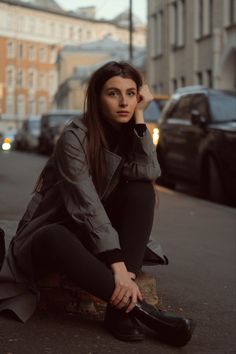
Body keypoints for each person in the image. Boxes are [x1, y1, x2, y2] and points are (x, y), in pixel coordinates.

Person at [0, 61, 194, 346]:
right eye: (113, 93)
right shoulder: (74, 136)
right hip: (55, 234)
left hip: (94, 238)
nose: (124, 102)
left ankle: (119, 313)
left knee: (141, 191)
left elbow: (149, 173)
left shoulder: (131, 129)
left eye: (131, 94)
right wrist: (117, 266)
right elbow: (85, 204)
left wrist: (141, 116)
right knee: (53, 235)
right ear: (96, 97)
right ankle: (146, 314)